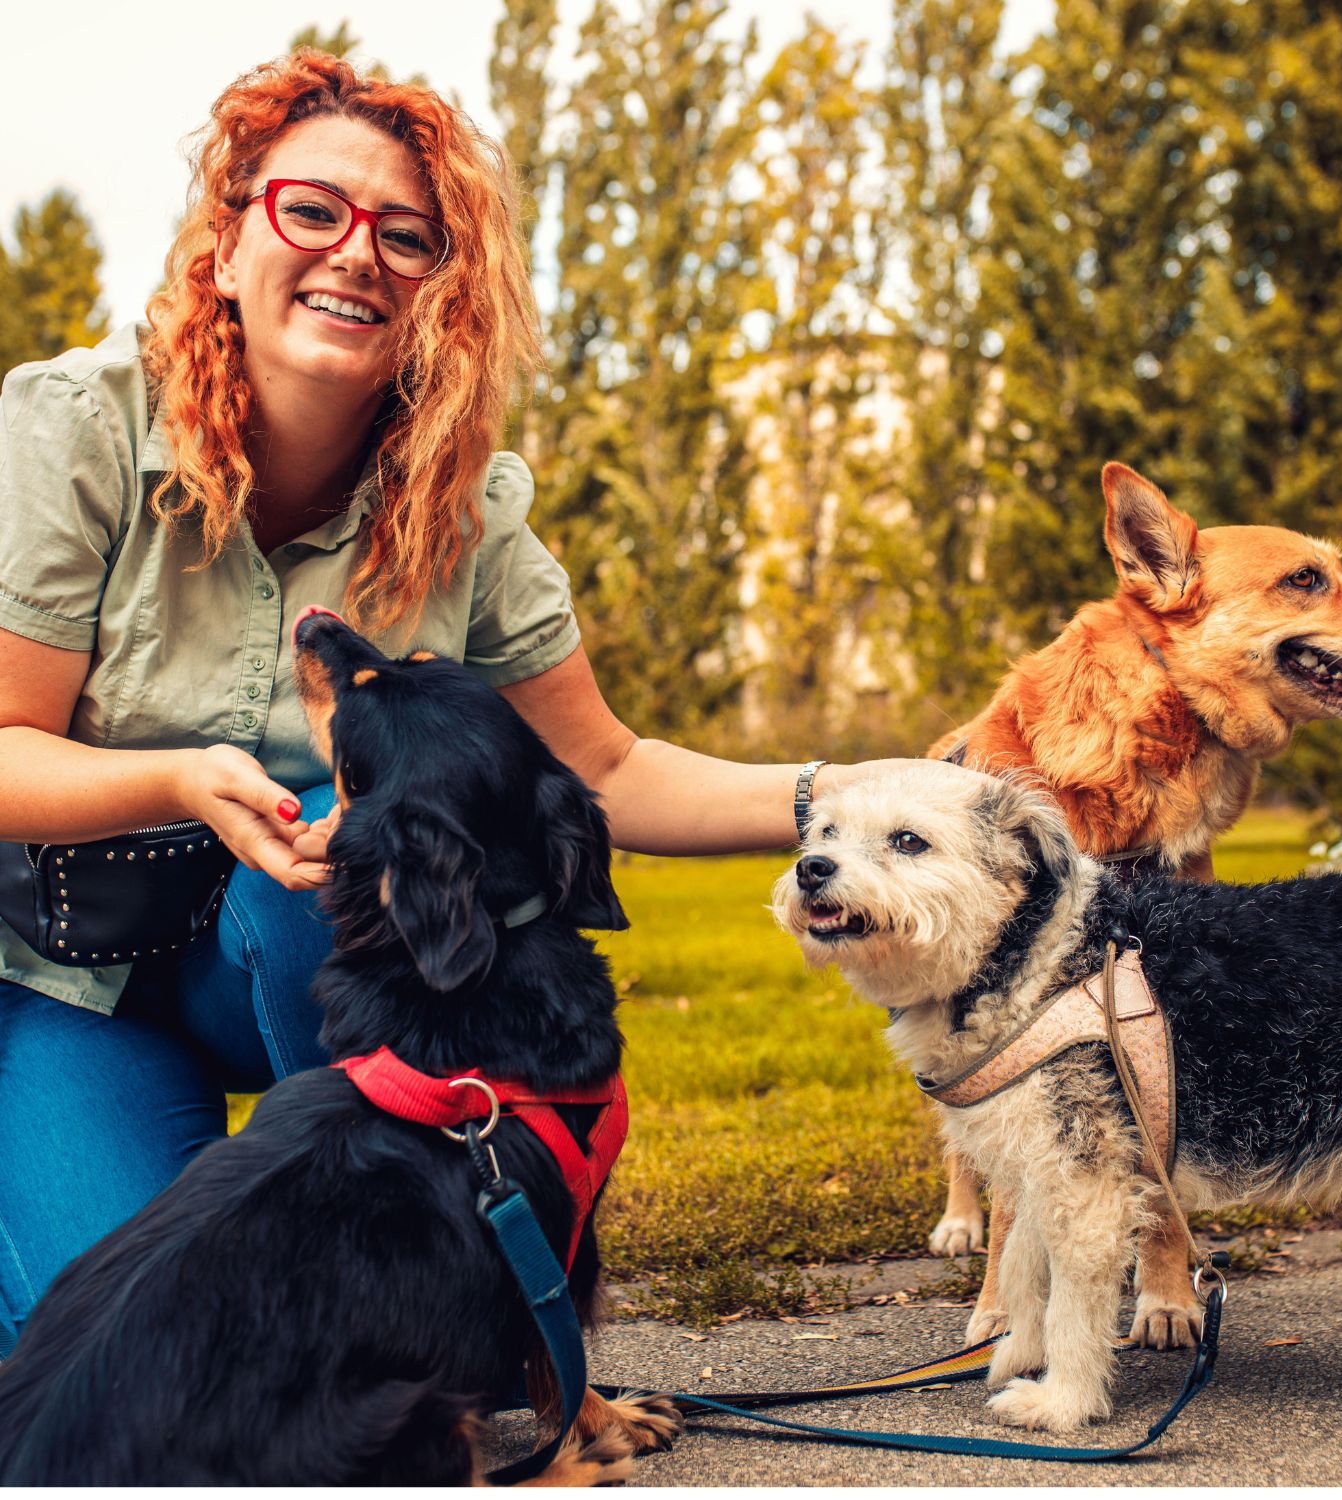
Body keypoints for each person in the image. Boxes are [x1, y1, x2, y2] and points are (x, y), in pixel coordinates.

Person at [0, 51, 910, 1355]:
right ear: (227, 241)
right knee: (129, 1358)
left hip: (294, 952)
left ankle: (405, 1298)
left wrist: (858, 793)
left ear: (442, 288)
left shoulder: (466, 503)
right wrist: (176, 779)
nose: (356, 253)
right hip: (60, 981)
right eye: (313, 209)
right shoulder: (76, 432)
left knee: (344, 859)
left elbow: (604, 768)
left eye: (407, 235)